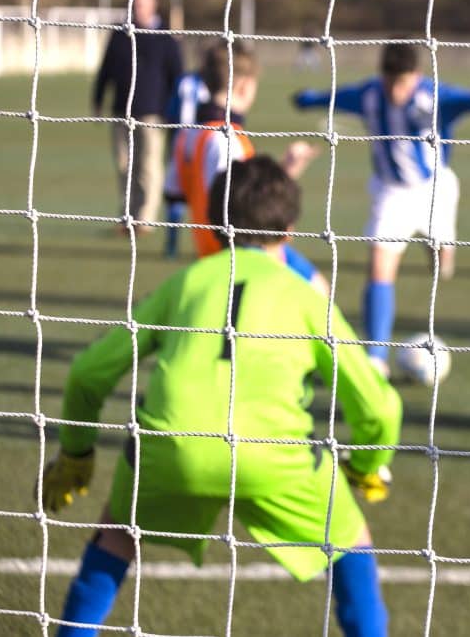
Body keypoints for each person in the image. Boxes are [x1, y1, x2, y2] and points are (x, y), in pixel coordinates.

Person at [39, 156, 402, 637]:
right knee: (352, 542)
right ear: (290, 230)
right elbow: (379, 405)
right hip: (273, 459)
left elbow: (87, 374)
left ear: (213, 224)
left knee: (117, 535)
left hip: (173, 449)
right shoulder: (308, 299)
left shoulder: (184, 283)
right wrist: (366, 465)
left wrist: (76, 456)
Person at [292, 44, 470, 377]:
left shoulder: (435, 96)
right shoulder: (368, 94)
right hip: (390, 194)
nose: (396, 93)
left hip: (435, 190)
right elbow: (334, 96)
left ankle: (436, 246)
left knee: (443, 268)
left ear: (418, 76)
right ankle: (376, 358)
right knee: (379, 268)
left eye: (403, 84)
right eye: (390, 83)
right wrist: (307, 98)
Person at [165, 40, 328, 294]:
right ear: (244, 86)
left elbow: (175, 192)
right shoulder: (225, 138)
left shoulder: (188, 135)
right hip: (244, 255)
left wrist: (285, 170)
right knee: (318, 291)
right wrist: (286, 180)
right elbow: (241, 207)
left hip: (211, 254)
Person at [93, 0, 182, 234]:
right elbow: (106, 69)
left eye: (142, 2)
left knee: (149, 166)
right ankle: (127, 215)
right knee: (125, 166)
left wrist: (173, 109)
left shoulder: (165, 36)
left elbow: (177, 75)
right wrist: (98, 99)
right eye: (135, 2)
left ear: (154, 4)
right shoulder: (120, 33)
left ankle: (145, 219)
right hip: (122, 110)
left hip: (153, 112)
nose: (138, 7)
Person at [163, 67, 210, 257]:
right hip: (203, 138)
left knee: (175, 193)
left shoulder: (183, 80)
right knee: (205, 189)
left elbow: (171, 110)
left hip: (180, 137)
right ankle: (209, 243)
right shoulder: (214, 82)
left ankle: (171, 245)